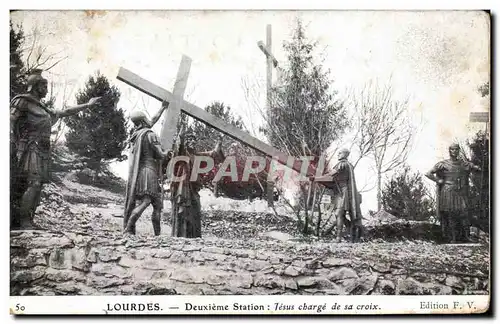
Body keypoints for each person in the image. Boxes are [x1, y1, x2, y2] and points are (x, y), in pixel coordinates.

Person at [10, 69, 101, 230]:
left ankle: (29, 219)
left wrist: (87, 105)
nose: (46, 89)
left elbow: (65, 112)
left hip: (43, 149)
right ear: (35, 86)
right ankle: (23, 221)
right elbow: (10, 120)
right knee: (33, 183)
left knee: (38, 185)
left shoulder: (43, 108)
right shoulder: (22, 101)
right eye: (44, 86)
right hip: (30, 147)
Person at [123, 104, 171, 236]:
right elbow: (160, 154)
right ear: (144, 120)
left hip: (141, 172)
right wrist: (169, 152)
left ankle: (157, 236)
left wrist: (161, 108)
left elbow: (152, 121)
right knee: (146, 201)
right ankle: (128, 228)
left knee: (157, 205)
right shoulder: (150, 134)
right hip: (149, 172)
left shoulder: (136, 135)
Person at [170, 131, 224, 238]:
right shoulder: (183, 153)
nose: (193, 141)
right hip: (183, 188)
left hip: (193, 188)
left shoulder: (197, 156)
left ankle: (193, 236)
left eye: (194, 140)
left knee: (195, 209)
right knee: (183, 211)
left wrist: (219, 141)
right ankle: (181, 236)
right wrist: (180, 135)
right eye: (189, 139)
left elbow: (213, 154)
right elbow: (178, 147)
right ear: (185, 142)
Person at [425, 143, 481, 243]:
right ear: (449, 151)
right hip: (448, 190)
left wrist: (477, 167)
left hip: (460, 191)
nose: (454, 151)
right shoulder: (443, 164)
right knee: (450, 214)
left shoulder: (463, 163)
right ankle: (452, 238)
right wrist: (438, 180)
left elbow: (474, 168)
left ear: (458, 150)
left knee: (464, 212)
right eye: (452, 149)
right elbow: (428, 173)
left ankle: (466, 236)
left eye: (456, 149)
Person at [311, 148, 362, 243]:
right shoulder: (348, 165)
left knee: (339, 214)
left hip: (344, 192)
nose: (338, 154)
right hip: (341, 191)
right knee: (339, 214)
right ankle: (350, 230)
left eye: (340, 152)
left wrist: (316, 178)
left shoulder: (343, 164)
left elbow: (330, 176)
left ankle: (339, 237)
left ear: (345, 154)